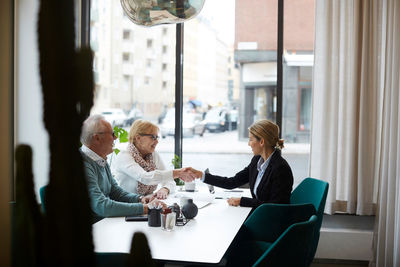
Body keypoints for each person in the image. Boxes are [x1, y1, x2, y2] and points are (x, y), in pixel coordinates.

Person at [189, 119, 294, 209]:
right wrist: (201, 175)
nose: (249, 144)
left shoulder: (281, 169)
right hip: (260, 216)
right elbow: (232, 182)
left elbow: (275, 207)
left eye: (250, 139)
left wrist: (242, 201)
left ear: (261, 142)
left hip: (271, 223)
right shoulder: (256, 161)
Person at [80, 114, 166, 219]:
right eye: (112, 134)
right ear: (97, 138)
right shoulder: (83, 165)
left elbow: (115, 192)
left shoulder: (100, 160)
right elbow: (102, 206)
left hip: (104, 224)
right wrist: (145, 208)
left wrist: (139, 199)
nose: (115, 137)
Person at [112, 119, 196, 199]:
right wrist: (178, 173)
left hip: (146, 204)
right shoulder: (124, 156)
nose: (157, 141)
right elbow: (145, 178)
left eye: (157, 137)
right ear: (138, 138)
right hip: (127, 206)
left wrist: (165, 189)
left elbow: (169, 181)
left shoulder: (153, 155)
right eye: (152, 137)